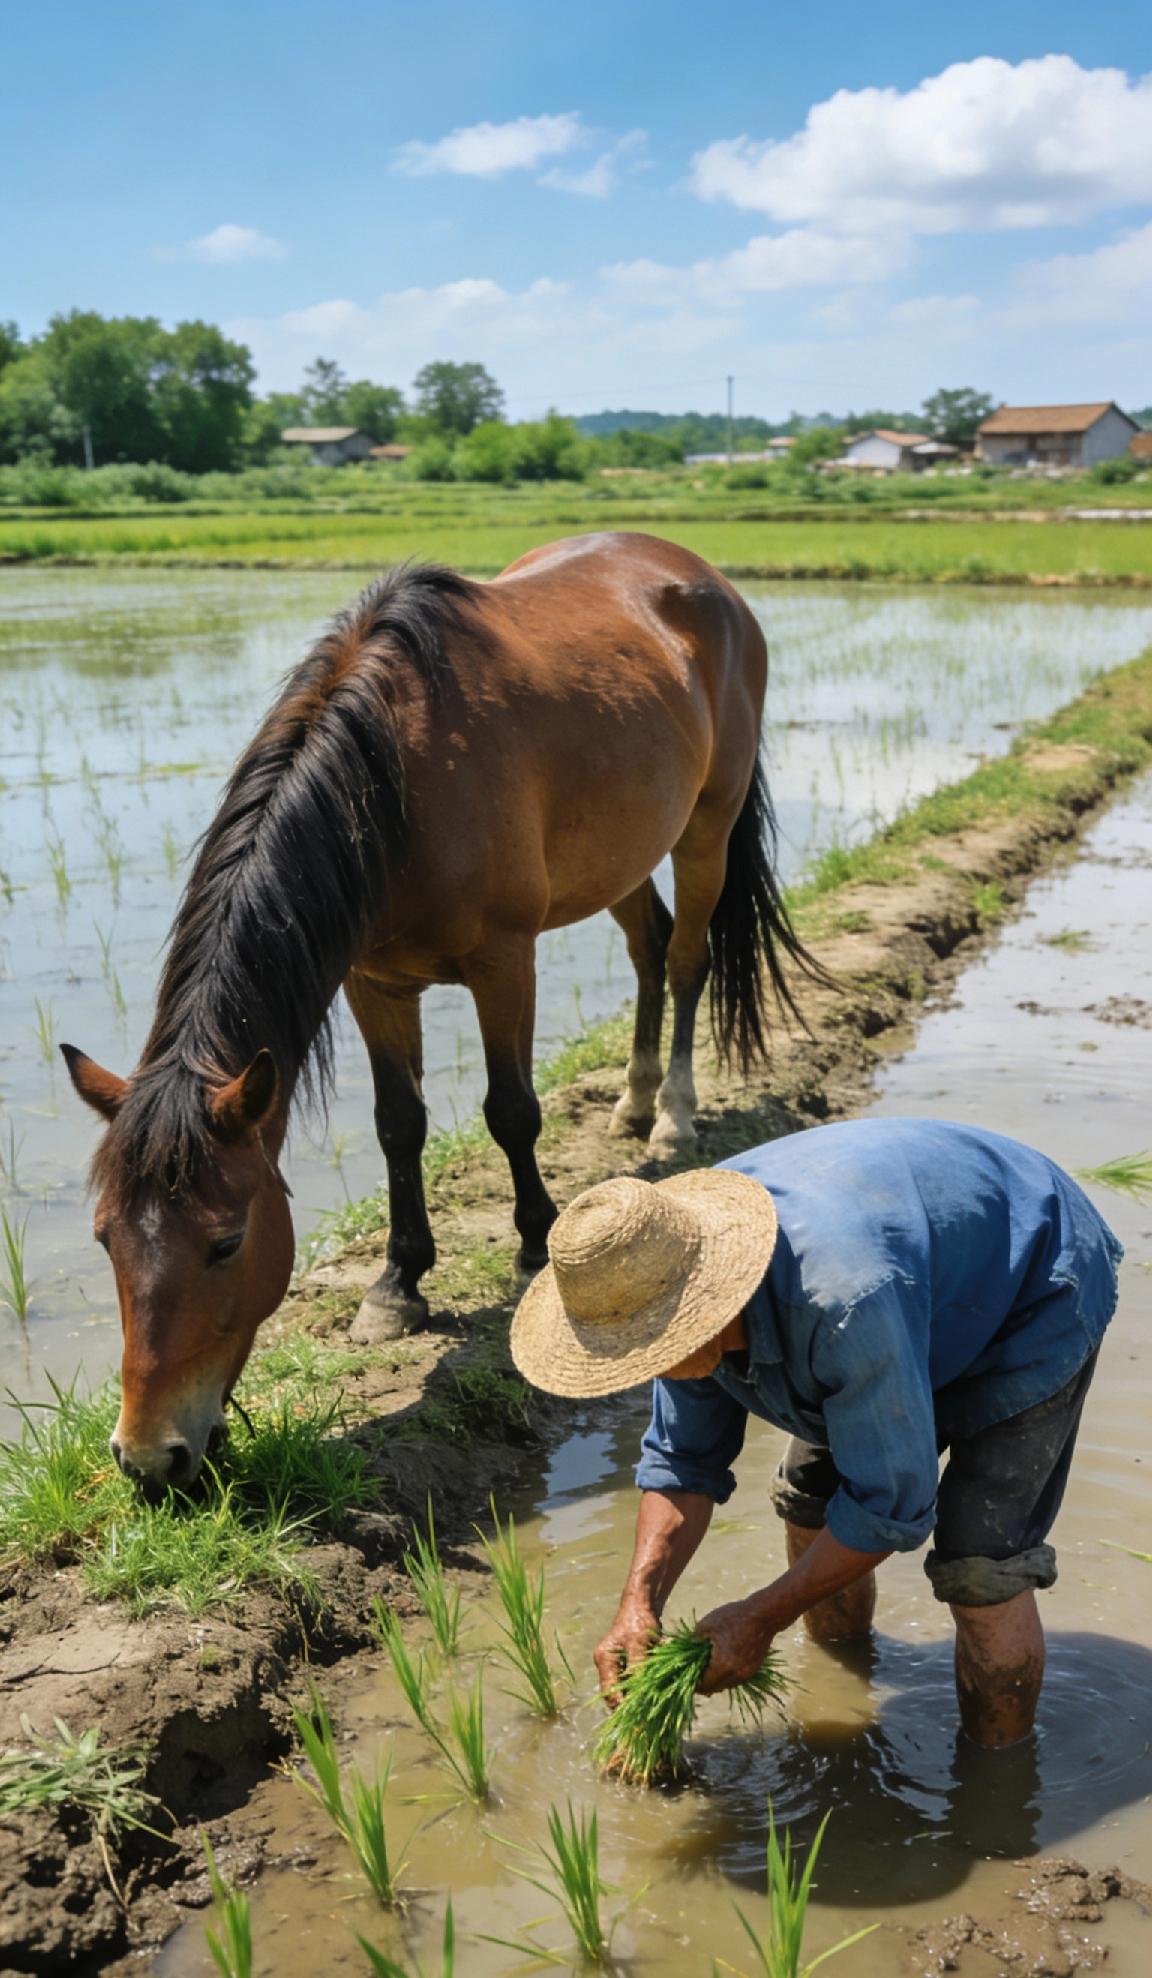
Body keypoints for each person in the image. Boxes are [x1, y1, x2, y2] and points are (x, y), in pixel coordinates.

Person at [509, 1118, 1122, 1749]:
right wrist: (639, 1602)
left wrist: (760, 1617)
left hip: (1031, 1278)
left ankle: (997, 1775)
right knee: (811, 1497)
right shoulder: (655, 1276)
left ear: (705, 1311)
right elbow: (682, 1461)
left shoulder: (838, 1303)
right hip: (906, 1284)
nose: (643, 1365)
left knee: (980, 1562)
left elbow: (891, 1507)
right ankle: (843, 1680)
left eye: (650, 1347)